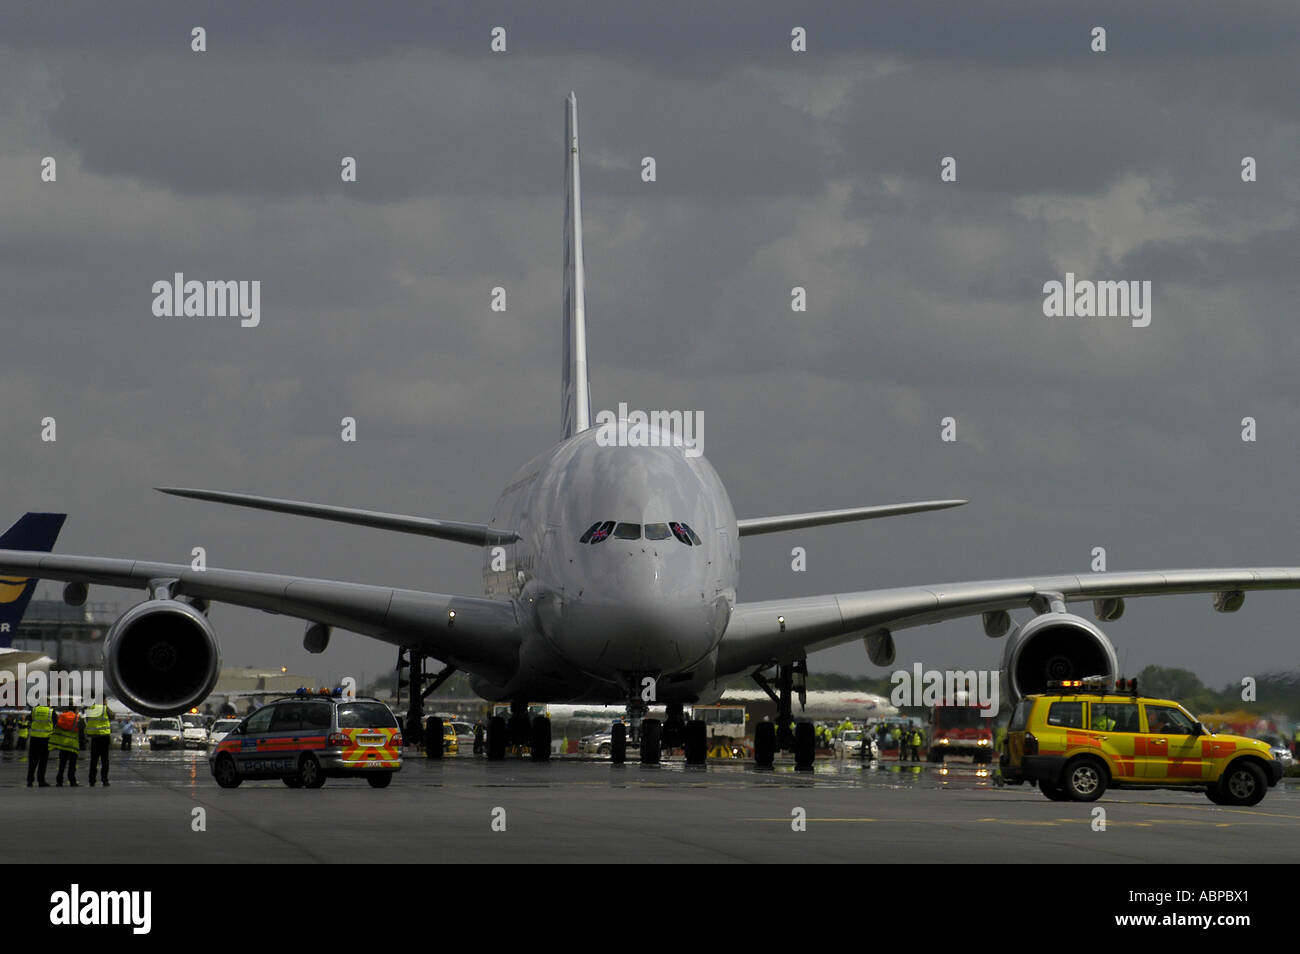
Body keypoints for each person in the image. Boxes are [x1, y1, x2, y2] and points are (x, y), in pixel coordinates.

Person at [50, 707, 81, 786]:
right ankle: (72, 781)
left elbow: (57, 726)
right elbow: (81, 729)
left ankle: (59, 781)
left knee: (62, 764)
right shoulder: (77, 717)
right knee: (72, 764)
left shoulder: (62, 716)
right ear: (75, 710)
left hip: (63, 743)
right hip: (73, 744)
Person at [84, 702, 112, 786]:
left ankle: (92, 780)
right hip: (104, 736)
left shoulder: (90, 708)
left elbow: (88, 720)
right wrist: (106, 705)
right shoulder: (105, 708)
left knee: (94, 760)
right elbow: (112, 716)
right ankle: (105, 780)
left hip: (94, 737)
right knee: (105, 760)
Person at [27, 704, 53, 787]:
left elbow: (29, 719)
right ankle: (41, 781)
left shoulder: (34, 710)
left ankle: (30, 780)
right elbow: (55, 723)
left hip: (34, 738)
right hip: (45, 739)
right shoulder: (51, 711)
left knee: (32, 761)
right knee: (43, 761)